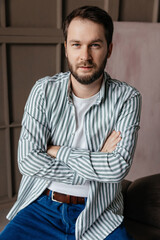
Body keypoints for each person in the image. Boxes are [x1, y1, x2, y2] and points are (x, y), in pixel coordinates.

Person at [0, 5, 141, 240]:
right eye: (76, 45)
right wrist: (97, 164)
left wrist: (57, 151)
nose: (84, 56)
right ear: (66, 49)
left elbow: (117, 168)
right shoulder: (43, 90)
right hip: (42, 207)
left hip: (100, 212)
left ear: (109, 49)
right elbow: (27, 161)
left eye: (95, 45)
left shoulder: (127, 98)